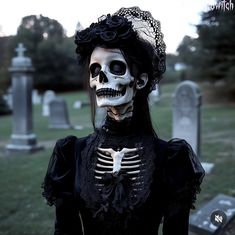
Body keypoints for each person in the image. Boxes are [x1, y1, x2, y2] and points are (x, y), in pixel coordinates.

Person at [42, 6, 205, 235]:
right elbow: (65, 229)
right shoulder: (71, 155)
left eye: (116, 67)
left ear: (139, 81)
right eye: (95, 70)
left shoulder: (171, 159)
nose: (101, 78)